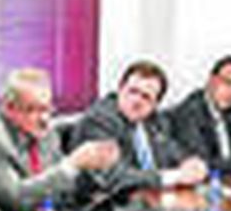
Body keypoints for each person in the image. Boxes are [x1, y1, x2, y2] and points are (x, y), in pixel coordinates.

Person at [0, 67, 120, 211]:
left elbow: (57, 187)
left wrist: (95, 171)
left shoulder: (46, 134)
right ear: (9, 108)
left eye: (47, 108)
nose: (45, 119)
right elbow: (18, 199)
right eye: (34, 110)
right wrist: (72, 164)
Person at [69, 59, 207, 192]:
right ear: (120, 89)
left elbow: (172, 150)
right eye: (132, 91)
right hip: (107, 207)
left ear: (155, 105)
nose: (136, 101)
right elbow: (113, 176)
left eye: (146, 97)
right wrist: (171, 177)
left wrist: (190, 163)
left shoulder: (155, 121)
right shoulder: (100, 120)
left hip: (148, 202)